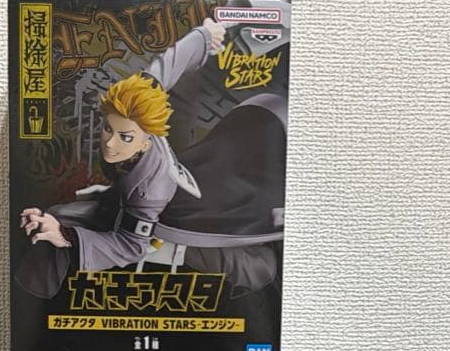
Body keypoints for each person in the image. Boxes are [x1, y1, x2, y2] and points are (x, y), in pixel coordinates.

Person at [15, 16, 286, 300]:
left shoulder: (150, 191)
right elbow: (165, 67)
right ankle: (32, 302)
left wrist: (65, 235)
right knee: (55, 216)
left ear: (146, 139)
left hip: (179, 221)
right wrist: (205, 35)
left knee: (250, 266)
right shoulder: (136, 108)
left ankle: (38, 300)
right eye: (108, 129)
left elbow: (131, 246)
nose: (110, 143)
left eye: (125, 137)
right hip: (196, 177)